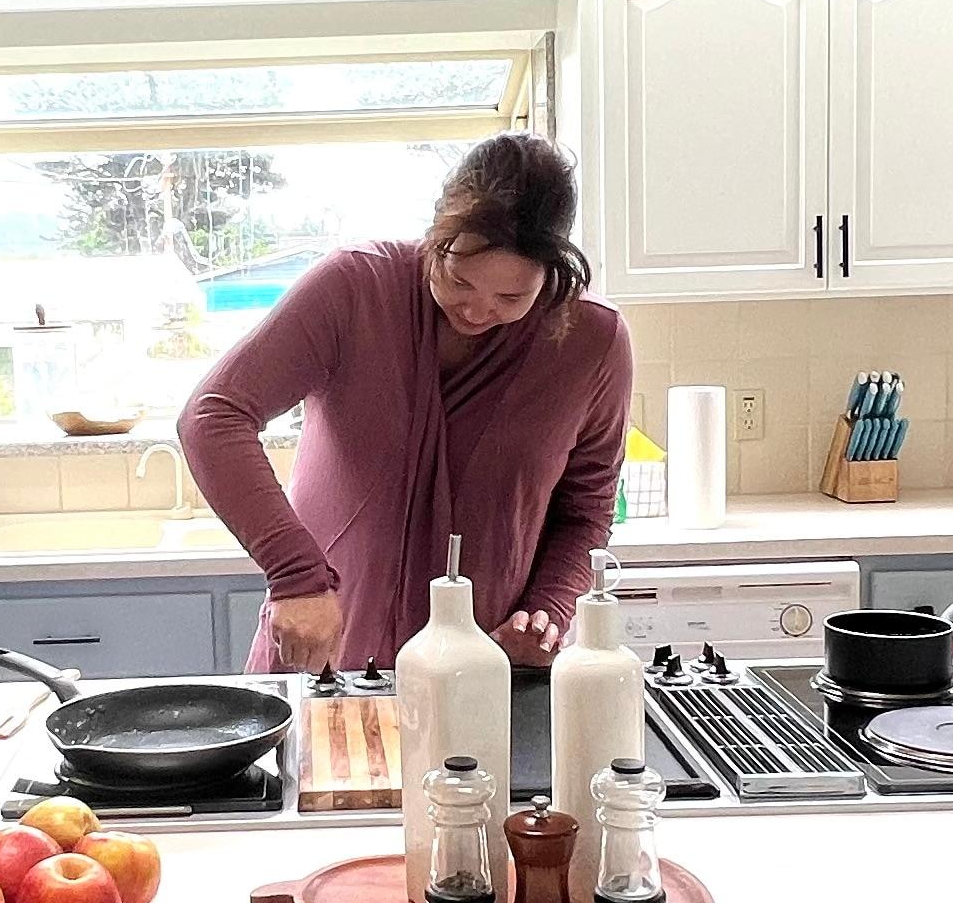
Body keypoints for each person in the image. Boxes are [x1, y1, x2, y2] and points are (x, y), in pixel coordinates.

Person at [179, 131, 632, 674]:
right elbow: (213, 415)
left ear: (553, 271)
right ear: (438, 233)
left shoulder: (589, 341)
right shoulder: (354, 290)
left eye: (512, 297)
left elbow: (585, 512)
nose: (478, 310)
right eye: (459, 279)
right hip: (328, 660)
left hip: (482, 674)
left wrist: (547, 611)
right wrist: (295, 574)